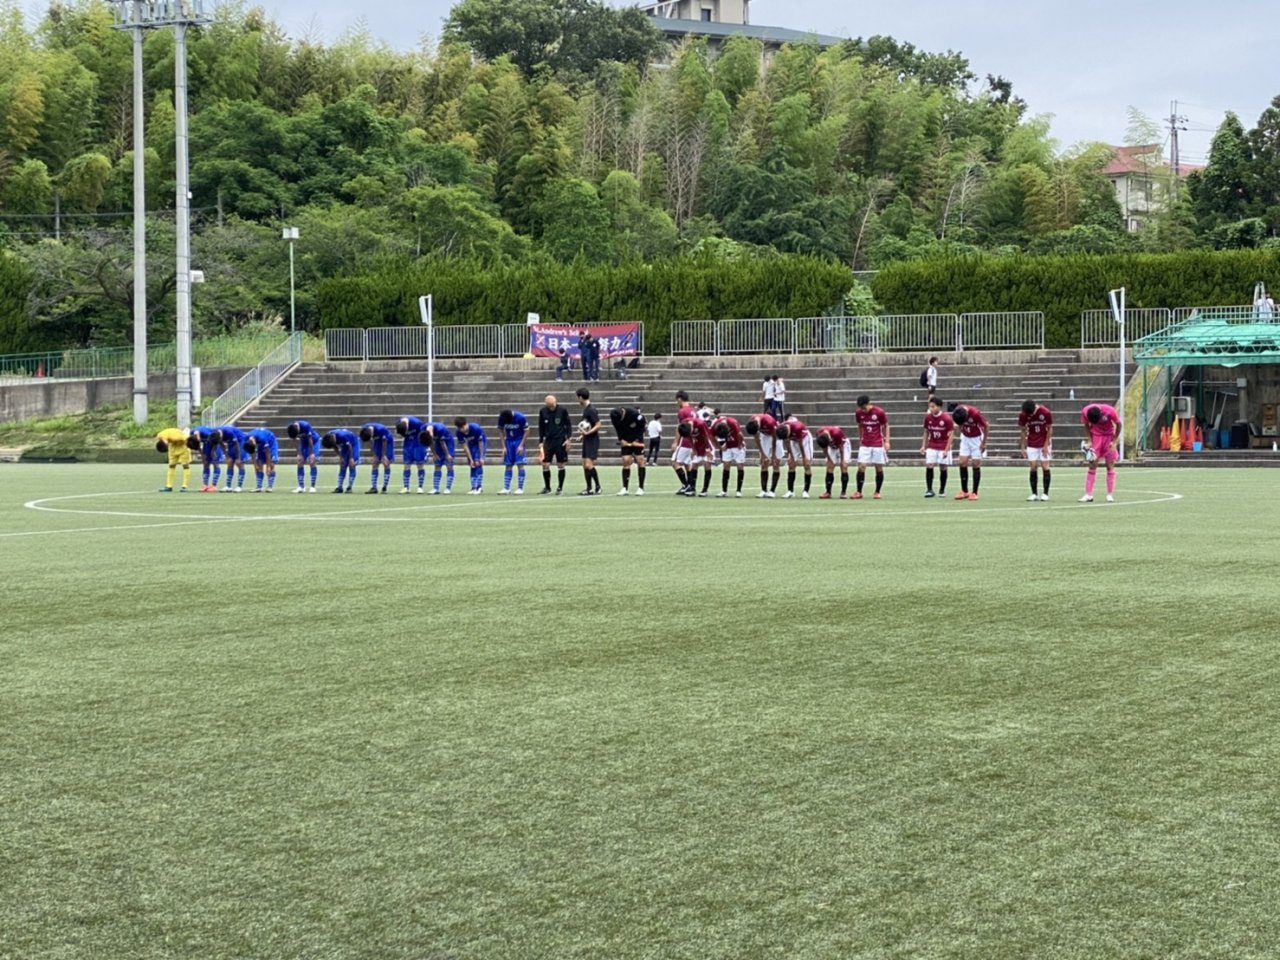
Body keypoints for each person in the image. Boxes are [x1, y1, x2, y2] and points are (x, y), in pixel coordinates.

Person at [1080, 402, 1122, 503]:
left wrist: (1114, 441)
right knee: (1092, 464)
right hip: (1096, 437)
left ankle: (1110, 494)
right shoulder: (1085, 412)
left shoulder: (1110, 411)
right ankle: (1088, 494)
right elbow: (1086, 425)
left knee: (1110, 465)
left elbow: (1119, 424)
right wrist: (1090, 440)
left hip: (1108, 437)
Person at [948, 403, 989, 501]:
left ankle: (974, 492)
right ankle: (964, 491)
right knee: (962, 462)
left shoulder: (975, 414)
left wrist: (984, 443)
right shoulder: (957, 411)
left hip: (976, 439)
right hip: (965, 438)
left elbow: (986, 426)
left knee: (975, 464)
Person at [853, 395, 890, 500]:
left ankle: (877, 492)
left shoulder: (879, 412)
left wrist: (887, 442)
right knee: (861, 466)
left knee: (878, 467)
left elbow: (886, 426)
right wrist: (860, 438)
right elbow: (860, 425)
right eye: (861, 408)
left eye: (864, 408)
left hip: (878, 443)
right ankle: (859, 492)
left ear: (869, 403)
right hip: (865, 444)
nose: (863, 410)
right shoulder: (858, 413)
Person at [1019, 400, 1054, 501]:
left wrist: (1046, 445)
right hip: (1031, 442)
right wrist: (1022, 447)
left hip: (1044, 442)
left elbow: (1050, 429)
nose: (1030, 416)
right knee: (1033, 467)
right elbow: (1023, 430)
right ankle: (1034, 494)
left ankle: (1045, 493)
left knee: (1045, 465)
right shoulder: (1023, 414)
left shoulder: (1045, 412)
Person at [920, 398, 954, 499]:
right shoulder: (928, 418)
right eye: (930, 406)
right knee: (929, 465)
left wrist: (947, 449)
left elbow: (951, 435)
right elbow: (926, 432)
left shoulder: (946, 418)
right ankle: (929, 489)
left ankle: (942, 490)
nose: (931, 409)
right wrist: (924, 446)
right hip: (932, 445)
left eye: (933, 406)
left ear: (939, 407)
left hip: (943, 446)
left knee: (943, 467)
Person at [538, 394, 572, 495]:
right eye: (549, 406)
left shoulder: (562, 410)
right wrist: (540, 441)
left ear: (555, 402)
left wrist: (568, 439)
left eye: (552, 406)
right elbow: (541, 427)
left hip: (560, 441)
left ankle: (560, 488)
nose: (551, 408)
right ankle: (547, 487)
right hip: (548, 441)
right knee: (545, 464)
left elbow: (568, 425)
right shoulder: (543, 411)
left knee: (561, 464)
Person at [571, 387, 602, 495]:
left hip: (592, 440)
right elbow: (588, 426)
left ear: (580, 397)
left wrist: (588, 433)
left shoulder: (591, 410)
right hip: (587, 439)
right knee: (584, 464)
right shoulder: (586, 409)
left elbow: (598, 425)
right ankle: (589, 488)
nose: (577, 400)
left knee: (589, 464)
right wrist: (582, 436)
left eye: (577, 398)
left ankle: (598, 487)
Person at [610, 406, 648, 495]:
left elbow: (642, 426)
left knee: (640, 460)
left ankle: (641, 488)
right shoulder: (614, 416)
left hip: (637, 437)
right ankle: (625, 488)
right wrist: (621, 439)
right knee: (626, 460)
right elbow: (617, 428)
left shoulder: (634, 414)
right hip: (625, 438)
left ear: (622, 413)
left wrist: (637, 440)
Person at [774, 416, 813, 499]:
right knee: (791, 464)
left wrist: (804, 457)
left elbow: (800, 443)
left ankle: (805, 491)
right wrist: (791, 454)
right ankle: (790, 491)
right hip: (793, 441)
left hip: (804, 440)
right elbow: (786, 442)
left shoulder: (797, 427)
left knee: (807, 464)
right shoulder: (781, 429)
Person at [745, 412, 781, 498]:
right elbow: (756, 438)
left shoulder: (769, 422)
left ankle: (772, 491)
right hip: (765, 437)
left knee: (776, 464)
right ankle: (764, 490)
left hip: (776, 436)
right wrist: (762, 453)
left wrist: (773, 455)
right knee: (764, 464)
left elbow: (774, 438)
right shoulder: (752, 422)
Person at [712, 415, 747, 498]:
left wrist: (739, 445)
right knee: (726, 466)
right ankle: (724, 491)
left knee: (740, 466)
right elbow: (711, 436)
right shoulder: (716, 425)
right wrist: (720, 447)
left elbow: (740, 435)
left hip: (737, 444)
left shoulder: (732, 422)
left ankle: (738, 491)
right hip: (727, 446)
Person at [671, 390, 698, 495]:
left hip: (684, 440)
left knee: (674, 462)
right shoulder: (693, 411)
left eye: (677, 400)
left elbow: (680, 428)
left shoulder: (682, 411)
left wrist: (675, 442)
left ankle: (686, 485)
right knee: (687, 464)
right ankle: (690, 486)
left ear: (679, 399)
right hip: (692, 440)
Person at [496, 409, 529, 495]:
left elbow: (527, 431)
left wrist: (521, 445)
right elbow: (500, 431)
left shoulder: (520, 417)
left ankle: (520, 488)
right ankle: (506, 488)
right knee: (508, 465)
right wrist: (503, 447)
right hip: (509, 442)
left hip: (518, 441)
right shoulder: (502, 418)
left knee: (520, 464)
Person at [814, 425, 852, 499]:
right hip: (832, 447)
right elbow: (824, 447)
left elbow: (841, 448)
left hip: (843, 446)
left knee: (843, 467)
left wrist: (842, 460)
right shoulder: (819, 433)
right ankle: (828, 492)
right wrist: (828, 459)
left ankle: (843, 492)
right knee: (829, 467)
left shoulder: (836, 433)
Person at [359, 422, 396, 494]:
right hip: (377, 441)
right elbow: (369, 442)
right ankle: (374, 488)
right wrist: (375, 455)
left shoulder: (380, 429)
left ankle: (384, 487)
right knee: (374, 463)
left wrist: (383, 455)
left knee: (386, 463)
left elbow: (384, 442)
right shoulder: (364, 430)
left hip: (387, 442)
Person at [454, 418, 488, 495]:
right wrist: (470, 459)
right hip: (471, 445)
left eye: (463, 427)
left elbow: (481, 443)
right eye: (460, 428)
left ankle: (479, 487)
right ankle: (473, 487)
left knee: (478, 463)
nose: (462, 430)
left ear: (466, 424)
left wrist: (481, 457)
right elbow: (465, 446)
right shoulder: (459, 433)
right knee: (472, 465)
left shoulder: (475, 428)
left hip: (481, 444)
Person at [286, 420, 321, 493]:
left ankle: (312, 487)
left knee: (312, 462)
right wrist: (299, 454)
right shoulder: (292, 429)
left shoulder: (305, 425)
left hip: (314, 442)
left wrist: (311, 454)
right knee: (300, 462)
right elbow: (295, 441)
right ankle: (301, 487)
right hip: (304, 443)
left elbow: (310, 440)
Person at [321, 429, 361, 493]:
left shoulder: (342, 436)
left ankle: (349, 487)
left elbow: (350, 447)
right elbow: (334, 446)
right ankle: (339, 487)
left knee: (352, 465)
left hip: (353, 445)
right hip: (344, 446)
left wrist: (351, 458)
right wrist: (340, 457)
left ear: (334, 439)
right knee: (342, 465)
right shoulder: (328, 437)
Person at [421, 422, 456, 494]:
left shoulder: (440, 429)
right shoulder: (423, 429)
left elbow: (443, 443)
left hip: (447, 443)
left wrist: (447, 455)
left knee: (449, 465)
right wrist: (434, 454)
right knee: (437, 465)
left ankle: (448, 488)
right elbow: (429, 443)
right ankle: (436, 488)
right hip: (437, 443)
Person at [395, 415, 427, 494]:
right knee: (406, 465)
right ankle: (406, 487)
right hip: (408, 445)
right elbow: (398, 433)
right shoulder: (398, 424)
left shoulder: (417, 423)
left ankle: (420, 487)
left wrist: (425, 446)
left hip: (418, 445)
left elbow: (424, 433)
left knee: (420, 465)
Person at [154, 427, 192, 492]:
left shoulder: (178, 437)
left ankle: (184, 486)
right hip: (172, 448)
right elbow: (163, 441)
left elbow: (187, 439)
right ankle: (169, 486)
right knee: (171, 466)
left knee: (185, 466)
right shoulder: (160, 435)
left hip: (183, 447)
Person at [211, 425, 247, 492]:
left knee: (239, 463)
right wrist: (227, 457)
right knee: (230, 462)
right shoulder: (215, 433)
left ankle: (239, 486)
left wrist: (238, 458)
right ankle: (228, 486)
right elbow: (222, 445)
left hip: (240, 441)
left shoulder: (228, 432)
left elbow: (236, 444)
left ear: (221, 435)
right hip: (231, 442)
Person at [689, 412, 716, 496]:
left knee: (706, 465)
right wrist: (693, 449)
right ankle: (692, 489)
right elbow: (689, 438)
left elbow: (706, 437)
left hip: (707, 446)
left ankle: (705, 490)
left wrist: (707, 450)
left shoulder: (700, 424)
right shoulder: (685, 426)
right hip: (697, 446)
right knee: (694, 466)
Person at [190, 425, 223, 493]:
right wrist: (202, 454)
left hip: (215, 446)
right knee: (205, 464)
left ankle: (214, 486)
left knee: (215, 465)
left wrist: (213, 451)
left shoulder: (207, 433)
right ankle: (205, 485)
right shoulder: (192, 434)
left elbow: (216, 441)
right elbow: (197, 445)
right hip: (206, 446)